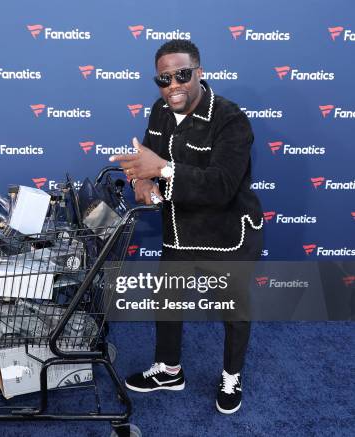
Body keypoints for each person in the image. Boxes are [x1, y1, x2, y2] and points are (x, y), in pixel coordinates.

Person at [109, 39, 264, 414]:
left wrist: (161, 170)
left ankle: (232, 374)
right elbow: (144, 160)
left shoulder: (230, 119)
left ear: (200, 72)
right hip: (180, 229)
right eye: (164, 79)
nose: (173, 85)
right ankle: (168, 369)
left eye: (182, 75)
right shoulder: (160, 111)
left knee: (234, 308)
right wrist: (141, 183)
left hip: (228, 233)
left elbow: (223, 185)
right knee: (168, 301)